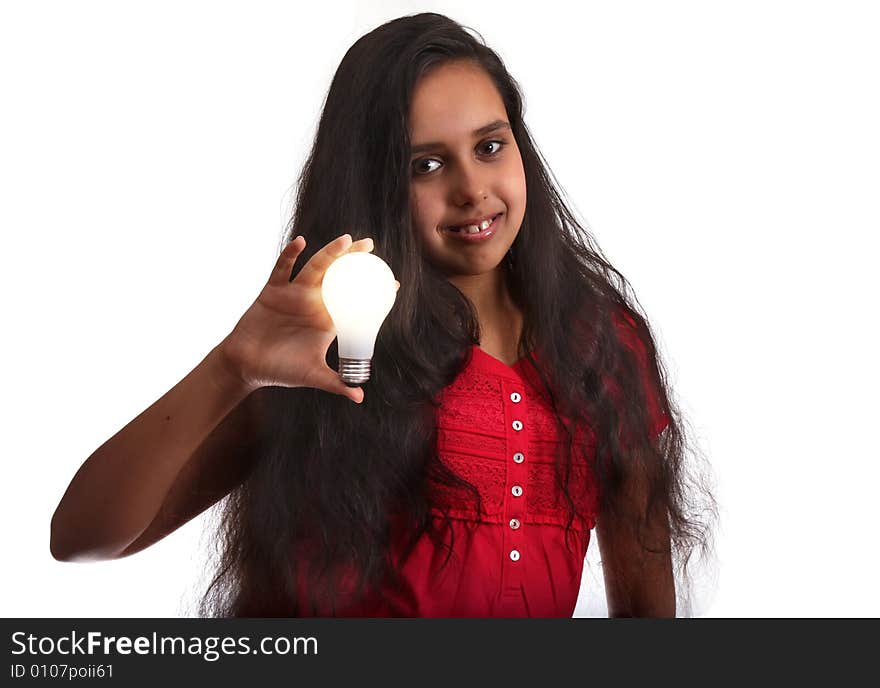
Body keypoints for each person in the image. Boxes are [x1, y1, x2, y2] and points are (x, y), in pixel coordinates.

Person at [50, 13, 716, 617]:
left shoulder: (603, 343)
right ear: (375, 182)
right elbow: (82, 537)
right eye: (425, 165)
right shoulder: (331, 342)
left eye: (490, 146)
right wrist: (231, 368)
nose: (472, 190)